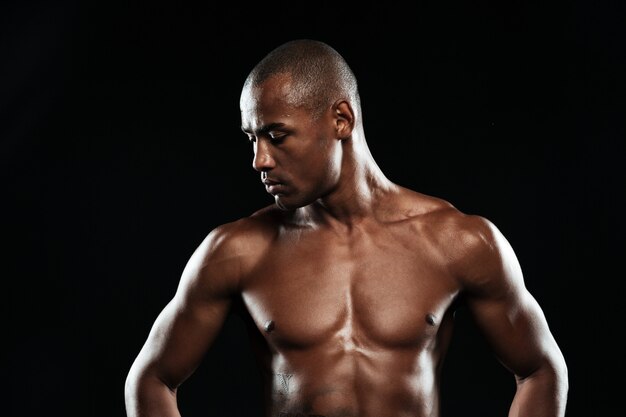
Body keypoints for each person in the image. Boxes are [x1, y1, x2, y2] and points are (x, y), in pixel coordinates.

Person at [124, 39, 568, 417]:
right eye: (251, 138)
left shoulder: (457, 240)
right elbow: (152, 380)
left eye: (276, 136)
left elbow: (540, 369)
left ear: (341, 120)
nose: (259, 159)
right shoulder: (237, 251)